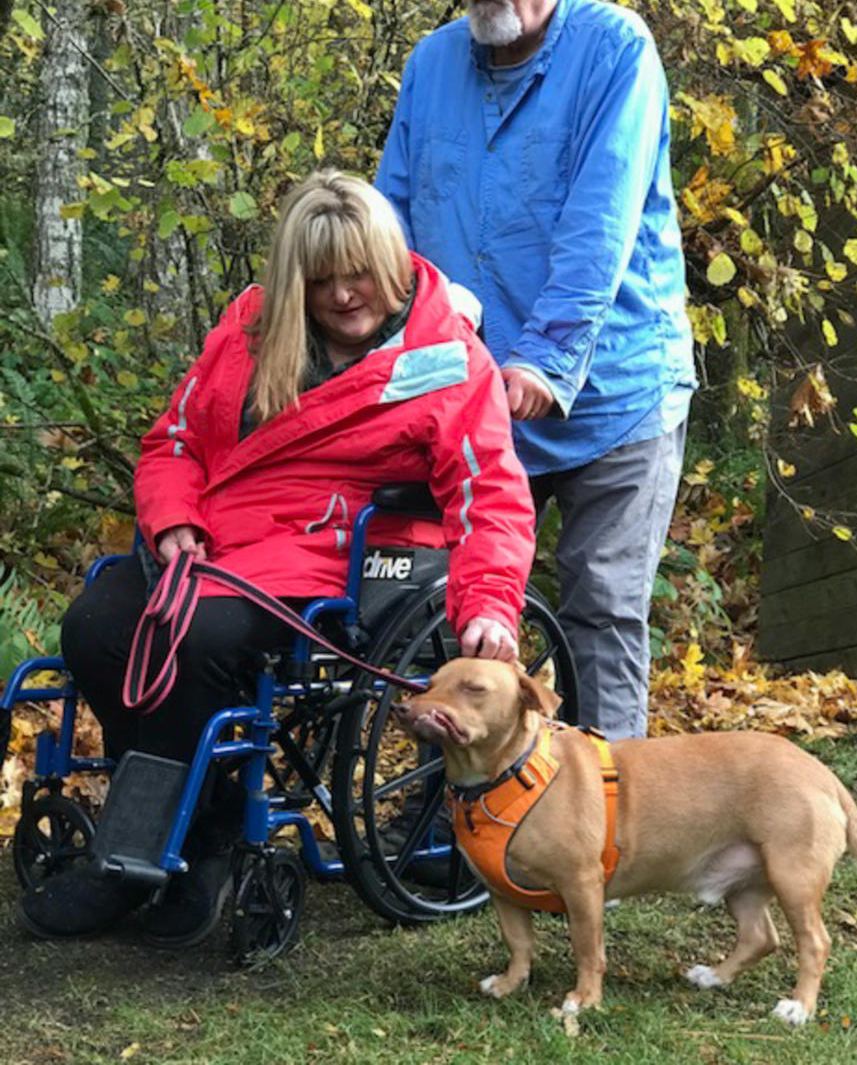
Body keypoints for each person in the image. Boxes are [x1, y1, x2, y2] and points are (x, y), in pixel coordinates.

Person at [20, 169, 536, 944]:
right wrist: (172, 522)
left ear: (391, 261)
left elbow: (489, 495)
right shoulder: (250, 330)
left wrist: (490, 603)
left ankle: (179, 845)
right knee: (93, 625)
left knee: (195, 641)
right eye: (321, 279)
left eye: (359, 273)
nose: (343, 295)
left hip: (334, 557)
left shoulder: (447, 359)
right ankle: (195, 825)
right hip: (213, 542)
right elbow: (175, 442)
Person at [375, 0, 696, 743]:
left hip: (611, 391)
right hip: (475, 398)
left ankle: (611, 825)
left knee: (599, 601)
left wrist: (546, 361)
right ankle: (464, 822)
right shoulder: (432, 64)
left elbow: (600, 227)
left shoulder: (617, 53)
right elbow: (390, 224)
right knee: (458, 595)